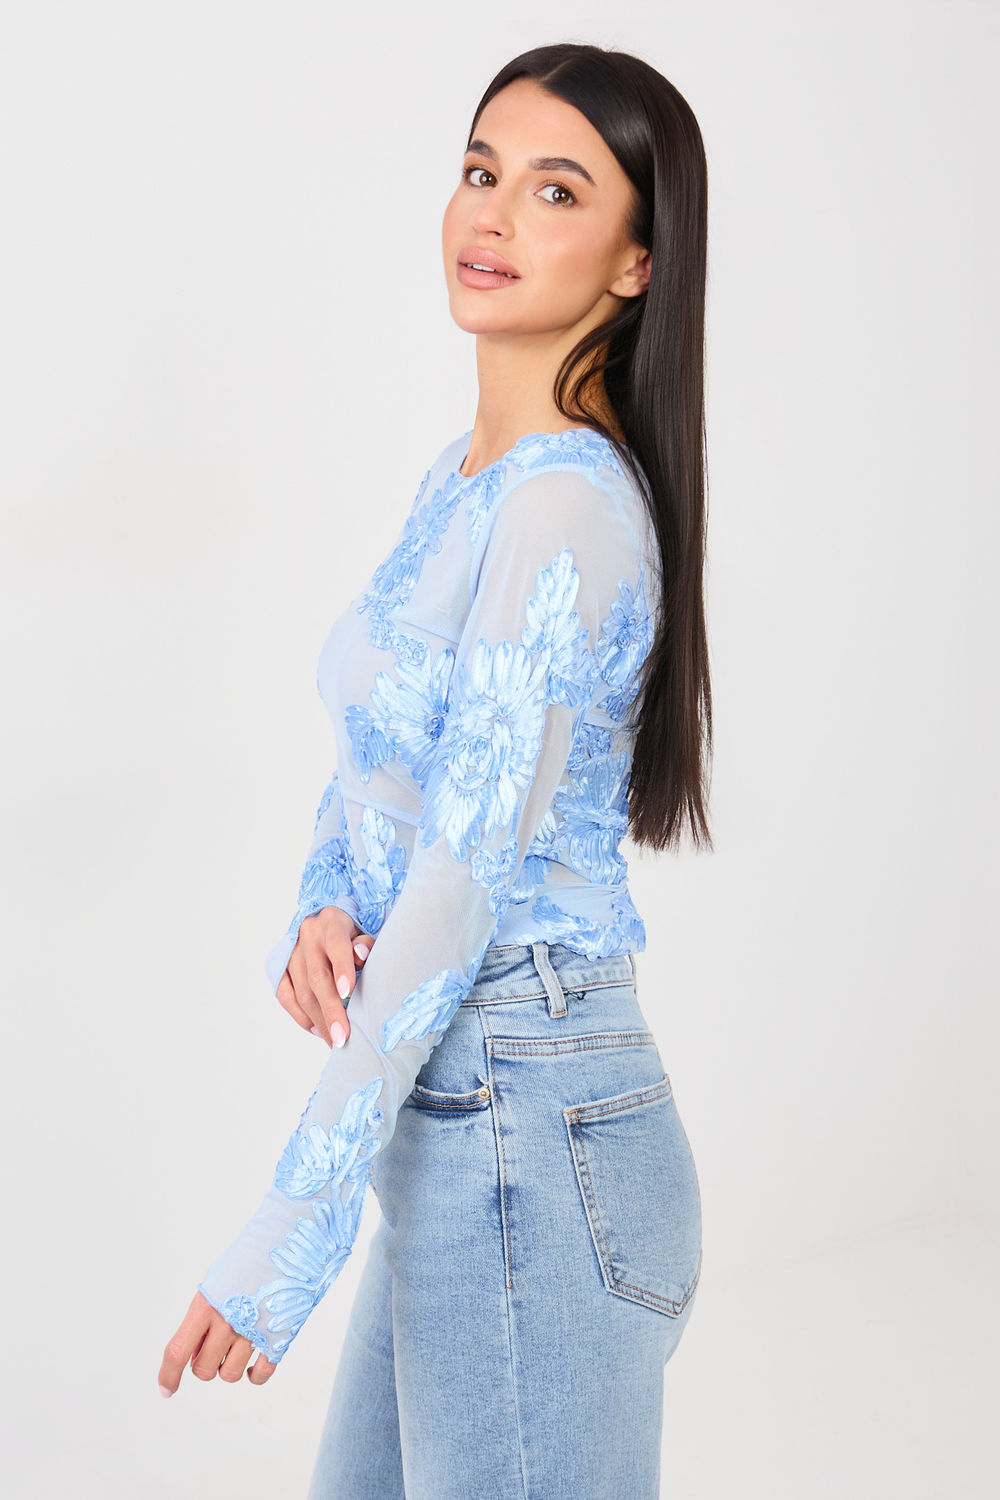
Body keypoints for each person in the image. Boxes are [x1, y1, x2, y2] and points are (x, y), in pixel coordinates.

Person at [158, 40, 713, 1499]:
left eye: (556, 191)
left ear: (638, 262)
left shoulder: (566, 513)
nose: (495, 213)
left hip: (529, 1127)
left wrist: (290, 1229)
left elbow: (463, 890)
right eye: (481, 171)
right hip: (465, 1134)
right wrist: (326, 899)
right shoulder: (464, 481)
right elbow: (388, 764)